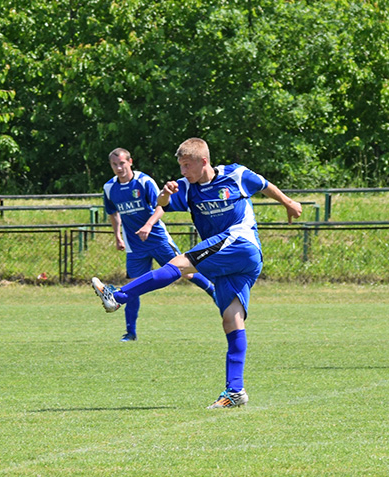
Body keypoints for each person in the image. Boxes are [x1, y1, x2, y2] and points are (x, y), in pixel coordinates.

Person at [92, 138, 302, 408]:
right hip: (231, 263)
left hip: (240, 243)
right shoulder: (188, 189)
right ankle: (235, 391)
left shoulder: (235, 175)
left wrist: (287, 202)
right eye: (180, 165)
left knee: (179, 264)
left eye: (187, 165)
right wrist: (165, 195)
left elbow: (263, 185)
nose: (182, 171)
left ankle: (118, 296)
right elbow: (162, 204)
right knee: (231, 321)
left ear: (204, 161)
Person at [94, 148, 215, 342]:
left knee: (187, 272)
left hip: (158, 238)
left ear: (130, 162)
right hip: (135, 246)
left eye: (122, 163)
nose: (119, 168)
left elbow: (161, 206)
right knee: (134, 286)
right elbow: (113, 213)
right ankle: (130, 333)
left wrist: (148, 225)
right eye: (114, 165)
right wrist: (117, 236)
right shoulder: (109, 188)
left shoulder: (144, 182)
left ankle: (215, 292)